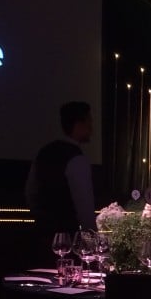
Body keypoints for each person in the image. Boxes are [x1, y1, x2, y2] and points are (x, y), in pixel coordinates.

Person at [25, 101, 97, 239]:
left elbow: (30, 194)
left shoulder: (43, 153)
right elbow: (85, 209)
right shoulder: (76, 159)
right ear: (79, 124)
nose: (91, 128)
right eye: (89, 122)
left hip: (40, 236)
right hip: (67, 239)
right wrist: (93, 239)